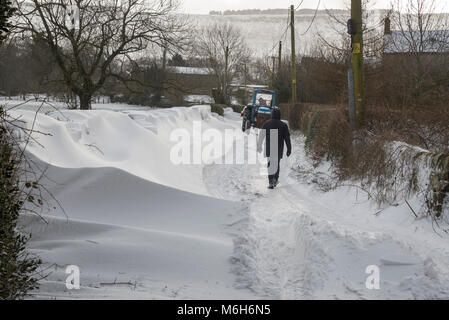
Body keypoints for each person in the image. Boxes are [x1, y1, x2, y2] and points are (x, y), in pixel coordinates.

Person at [257, 108, 292, 189]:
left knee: (270, 164)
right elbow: (287, 138)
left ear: (272, 114)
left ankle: (270, 182)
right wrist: (289, 149)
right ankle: (275, 179)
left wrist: (259, 145)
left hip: (269, 148)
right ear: (279, 115)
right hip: (278, 148)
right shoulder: (283, 125)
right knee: (276, 164)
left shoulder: (267, 123)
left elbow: (261, 135)